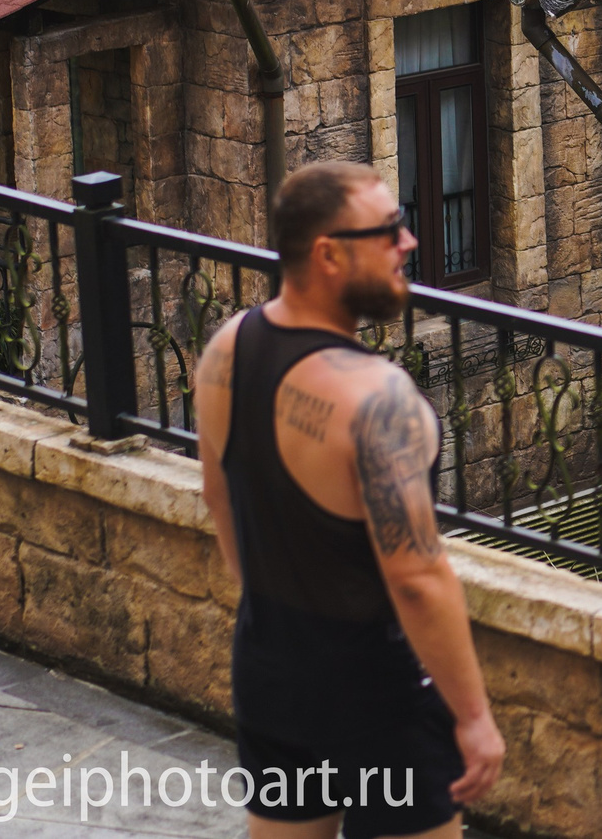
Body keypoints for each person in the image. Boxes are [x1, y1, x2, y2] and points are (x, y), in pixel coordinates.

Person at [196, 162, 504, 839]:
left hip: (270, 665)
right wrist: (474, 715)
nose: (410, 241)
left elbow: (218, 498)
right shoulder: (378, 400)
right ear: (329, 253)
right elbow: (418, 579)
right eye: (388, 229)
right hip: (377, 691)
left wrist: (277, 617)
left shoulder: (227, 348)